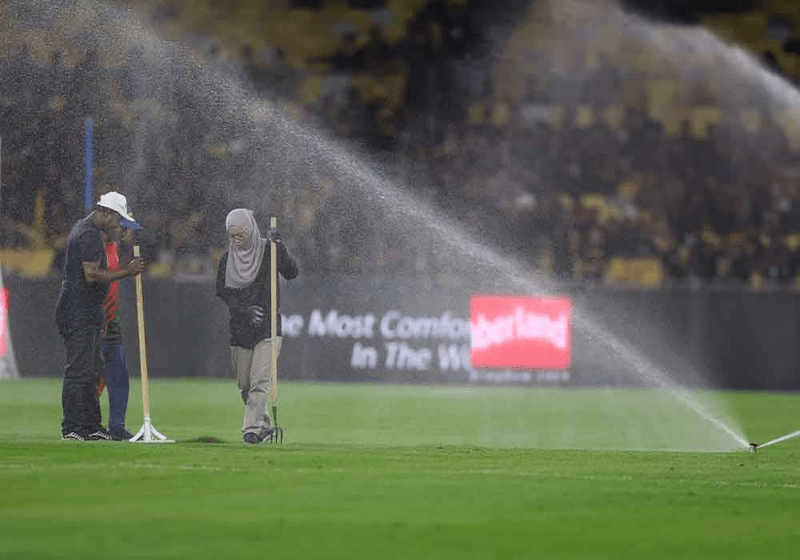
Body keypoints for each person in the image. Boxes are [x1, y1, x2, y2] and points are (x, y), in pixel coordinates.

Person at [55, 192, 144, 441]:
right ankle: (72, 427)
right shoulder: (88, 235)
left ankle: (92, 427)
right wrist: (127, 272)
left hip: (88, 310)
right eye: (117, 220)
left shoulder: (86, 231)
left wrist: (100, 310)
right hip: (77, 311)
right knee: (78, 371)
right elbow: (92, 275)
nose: (118, 226)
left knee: (93, 370)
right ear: (108, 214)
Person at [216, 209, 299, 444]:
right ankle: (262, 424)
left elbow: (292, 273)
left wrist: (279, 247)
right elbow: (223, 293)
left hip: (268, 328)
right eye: (231, 237)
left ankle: (250, 430)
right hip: (240, 331)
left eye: (239, 236)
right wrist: (245, 309)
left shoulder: (270, 251)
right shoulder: (226, 260)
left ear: (251, 231)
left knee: (260, 381)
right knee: (245, 384)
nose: (235, 242)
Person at [96, 222, 139, 441]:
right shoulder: (92, 246)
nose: (125, 233)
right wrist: (127, 271)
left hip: (111, 319)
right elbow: (94, 277)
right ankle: (87, 423)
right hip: (95, 318)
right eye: (123, 228)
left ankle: (116, 426)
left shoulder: (113, 246)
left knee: (118, 375)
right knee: (94, 376)